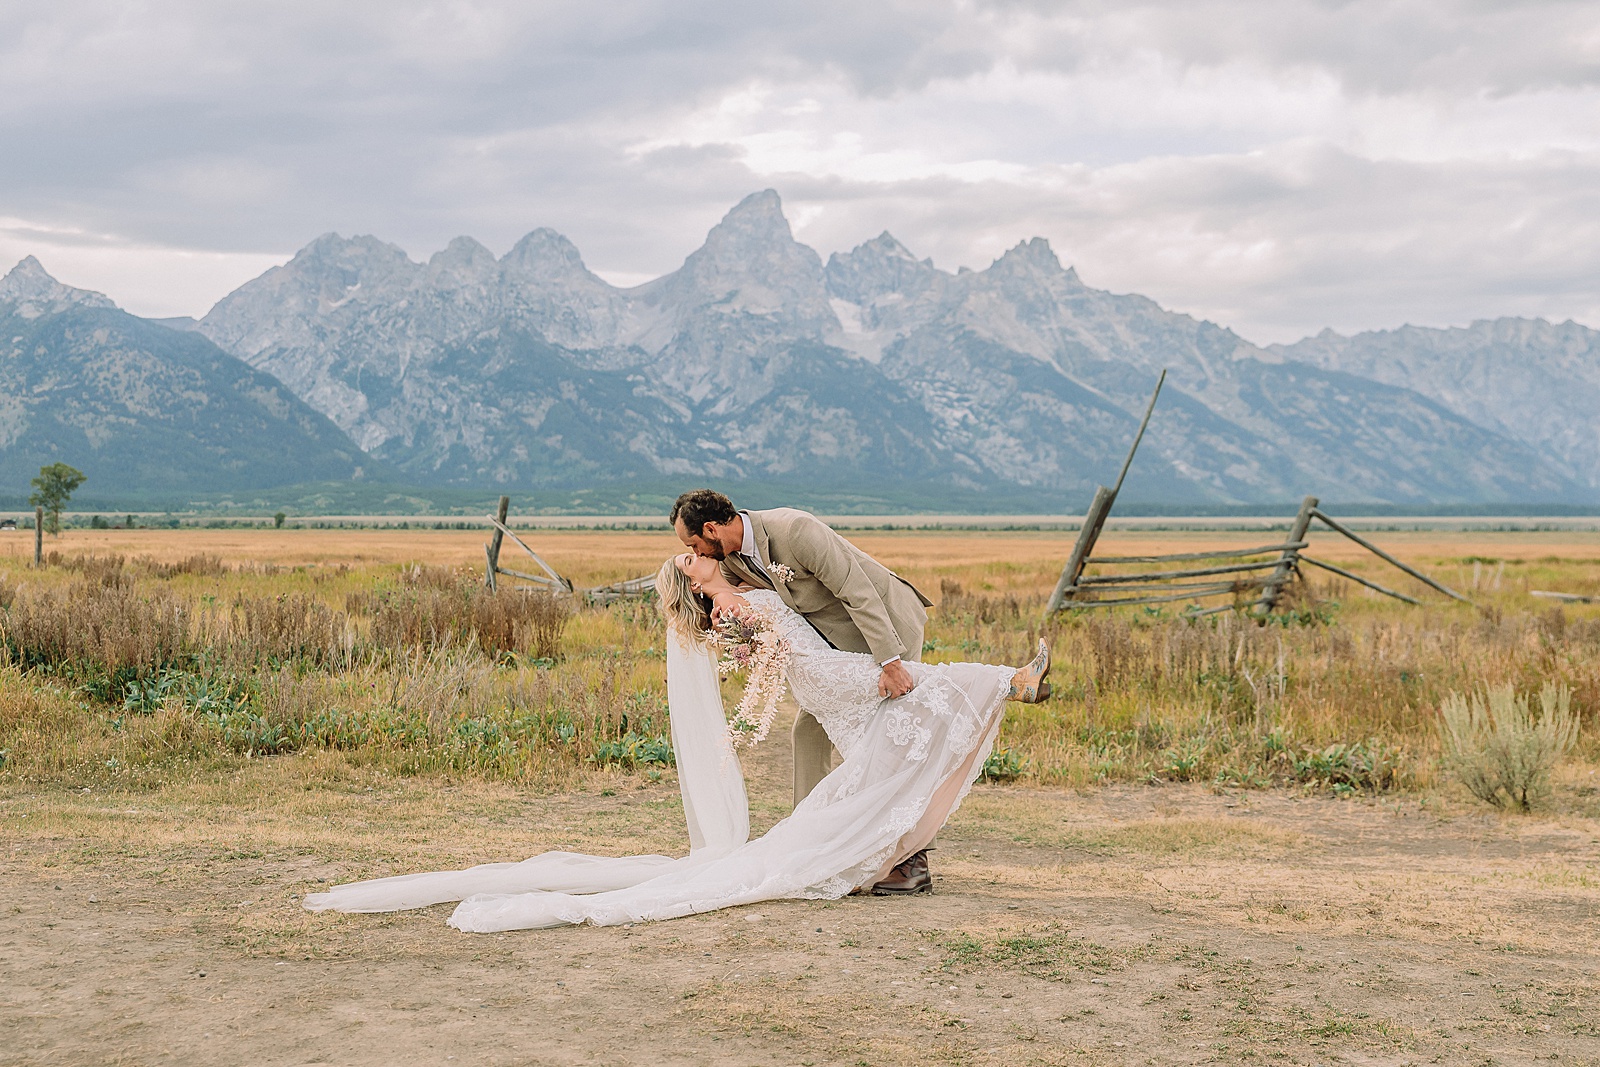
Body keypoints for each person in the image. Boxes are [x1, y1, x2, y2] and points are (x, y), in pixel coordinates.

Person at [303, 552, 1051, 932]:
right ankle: (1013, 683)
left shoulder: (737, 595)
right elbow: (771, 645)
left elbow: (770, 643)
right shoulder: (727, 605)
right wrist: (752, 627)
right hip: (827, 673)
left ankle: (896, 848)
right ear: (694, 583)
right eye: (691, 561)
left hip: (824, 676)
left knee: (907, 722)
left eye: (695, 551)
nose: (696, 555)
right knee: (931, 689)